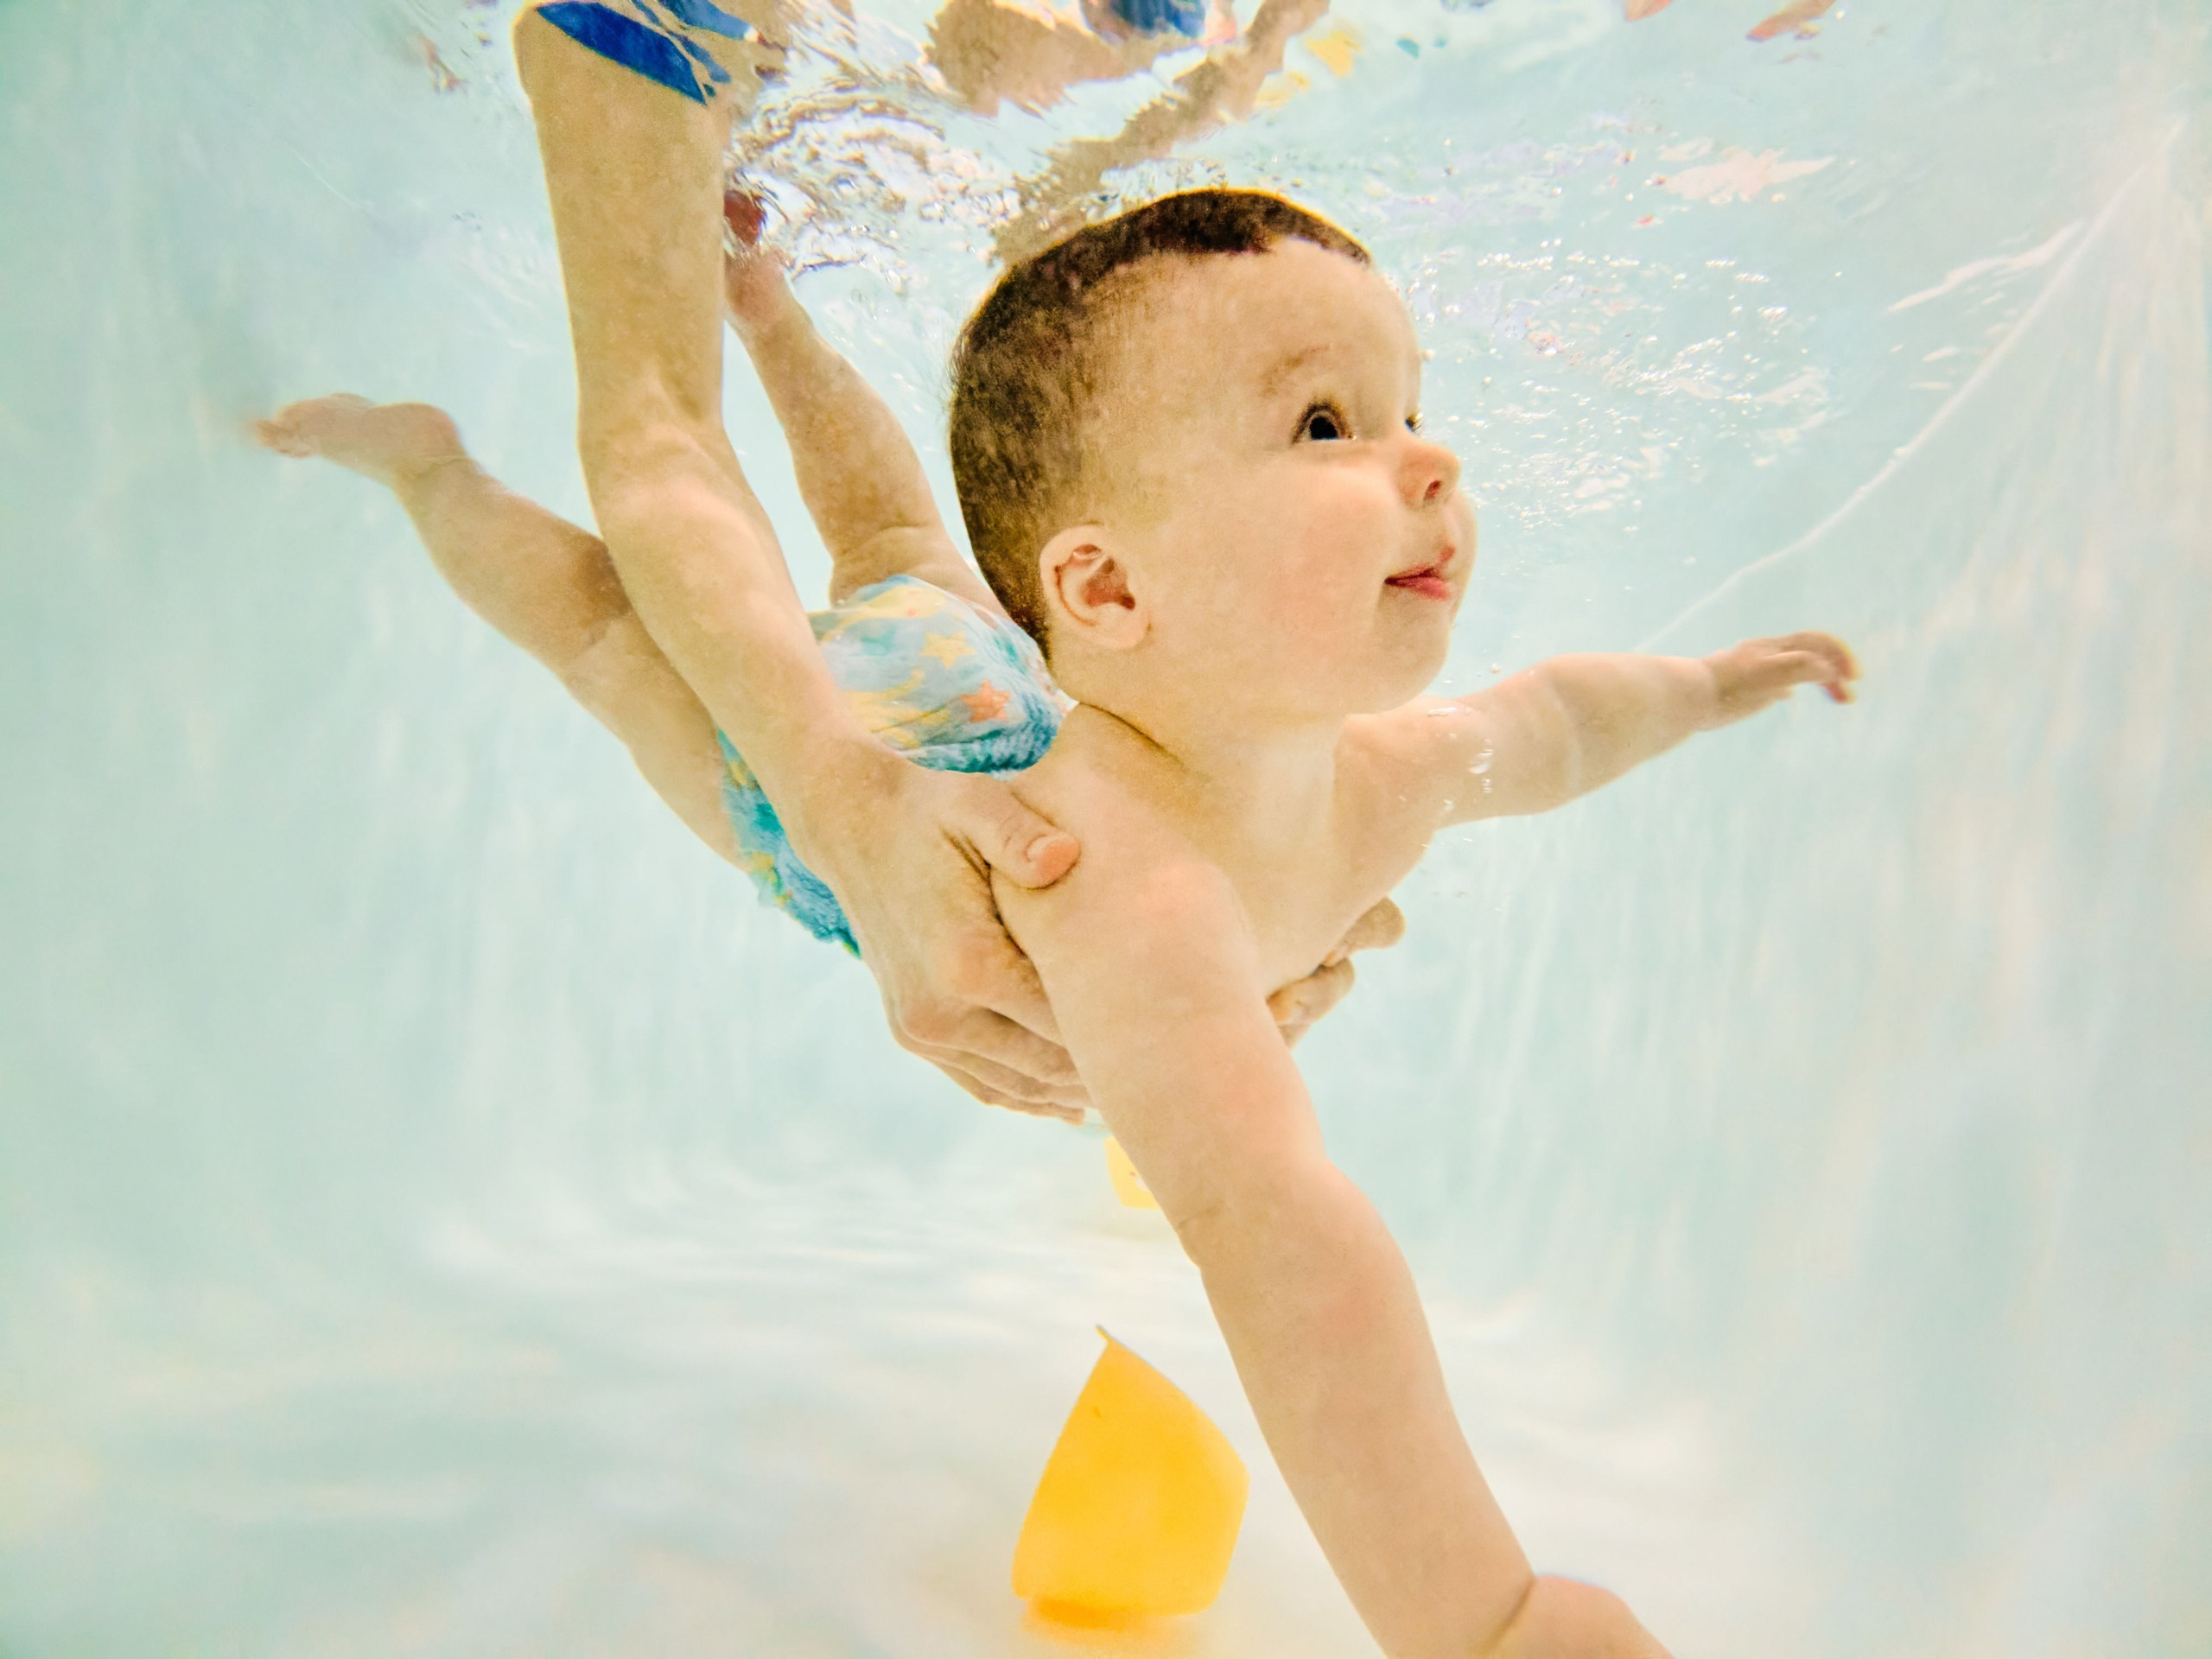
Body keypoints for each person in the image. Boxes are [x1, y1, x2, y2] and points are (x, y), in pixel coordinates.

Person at [315, 3, 1863, 1647]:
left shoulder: (1383, 773)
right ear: (1109, 591)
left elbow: (1547, 724)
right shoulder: (1136, 895)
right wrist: (1487, 1617)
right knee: (610, 630)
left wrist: (1711, 685)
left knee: (895, 535)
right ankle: (437, 477)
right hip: (846, 780)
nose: (1432, 459)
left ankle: (763, 301)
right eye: (1327, 424)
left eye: (1411, 406)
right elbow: (1281, 1242)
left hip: (995, 688)